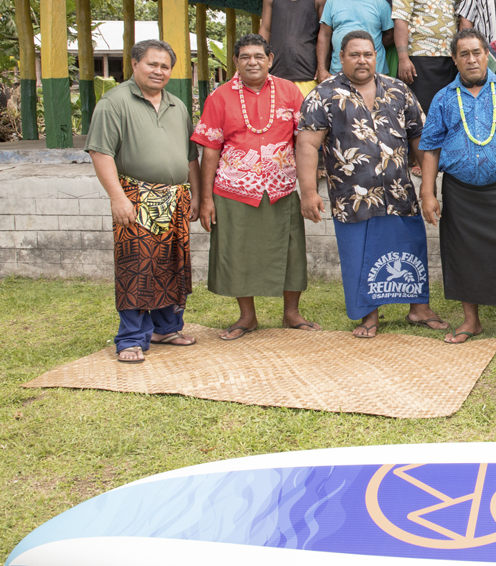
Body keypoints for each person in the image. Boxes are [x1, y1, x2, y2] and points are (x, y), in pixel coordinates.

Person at [296, 31, 445, 336]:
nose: (362, 60)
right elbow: (308, 145)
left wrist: (428, 188)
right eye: (354, 54)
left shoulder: (398, 90)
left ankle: (419, 309)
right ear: (341, 57)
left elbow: (421, 138)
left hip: (399, 193)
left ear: (376, 56)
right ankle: (369, 315)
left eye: (367, 54)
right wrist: (309, 192)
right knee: (360, 254)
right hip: (352, 198)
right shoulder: (323, 95)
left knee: (408, 249)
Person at [420, 29, 496, 343]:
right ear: (455, 59)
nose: (471, 59)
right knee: (462, 254)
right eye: (464, 54)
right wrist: (428, 192)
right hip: (460, 191)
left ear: (486, 54)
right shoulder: (444, 97)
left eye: (476, 52)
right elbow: (430, 148)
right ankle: (470, 321)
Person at [193, 33, 317, 339]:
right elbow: (210, 151)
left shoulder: (289, 92)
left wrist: (308, 188)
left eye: (259, 56)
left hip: (281, 188)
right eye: (245, 56)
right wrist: (207, 199)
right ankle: (247, 317)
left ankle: (292, 314)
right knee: (238, 252)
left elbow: (305, 142)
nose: (252, 62)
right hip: (235, 189)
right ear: (235, 61)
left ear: (270, 60)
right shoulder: (219, 97)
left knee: (291, 250)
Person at [85, 39, 200, 363]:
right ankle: (131, 338)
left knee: (171, 265)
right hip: (135, 199)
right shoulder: (114, 102)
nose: (159, 71)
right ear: (134, 64)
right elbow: (100, 152)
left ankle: (166, 327)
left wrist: (195, 194)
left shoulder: (177, 105)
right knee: (137, 268)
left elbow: (191, 157)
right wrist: (117, 198)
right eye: (152, 64)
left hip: (175, 198)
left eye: (165, 66)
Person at [391, 0, 462, 112]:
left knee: (447, 110)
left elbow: (458, 23)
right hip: (419, 61)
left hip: (448, 61)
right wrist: (403, 58)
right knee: (421, 113)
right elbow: (400, 22)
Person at [260, 0, 329, 97]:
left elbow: (324, 35)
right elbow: (265, 29)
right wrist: (262, 62)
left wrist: (322, 67)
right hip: (276, 72)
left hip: (308, 73)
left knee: (307, 119)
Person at [317, 0, 393, 82]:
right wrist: (321, 69)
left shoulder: (381, 4)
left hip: (373, 73)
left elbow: (391, 35)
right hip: (338, 71)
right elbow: (324, 36)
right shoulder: (333, 1)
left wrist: (368, 46)